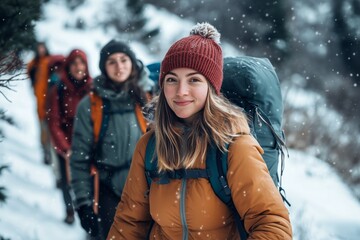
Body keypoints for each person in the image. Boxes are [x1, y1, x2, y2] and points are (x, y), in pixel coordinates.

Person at [107, 22, 293, 239]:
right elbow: (129, 223)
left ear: (212, 88)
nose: (181, 91)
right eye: (171, 80)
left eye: (194, 80)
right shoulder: (149, 146)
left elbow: (272, 225)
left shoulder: (235, 148)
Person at [70, 40, 154, 239]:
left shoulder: (148, 97)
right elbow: (79, 158)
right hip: (108, 192)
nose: (119, 66)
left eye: (124, 59)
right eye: (112, 62)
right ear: (103, 68)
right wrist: (83, 204)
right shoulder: (90, 105)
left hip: (149, 190)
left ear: (133, 63)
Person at [48, 49, 92, 224]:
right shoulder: (58, 89)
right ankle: (69, 209)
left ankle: (89, 211)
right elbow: (54, 122)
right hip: (66, 144)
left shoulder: (93, 88)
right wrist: (66, 149)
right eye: (74, 63)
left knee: (88, 180)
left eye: (81, 63)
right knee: (66, 180)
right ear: (68, 66)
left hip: (88, 144)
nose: (78, 67)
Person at [27, 42, 53, 164]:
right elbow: (29, 72)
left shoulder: (50, 61)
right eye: (39, 48)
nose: (41, 50)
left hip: (50, 101)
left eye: (43, 48)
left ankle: (50, 153)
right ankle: (45, 152)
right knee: (43, 127)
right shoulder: (35, 63)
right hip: (40, 100)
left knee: (50, 128)